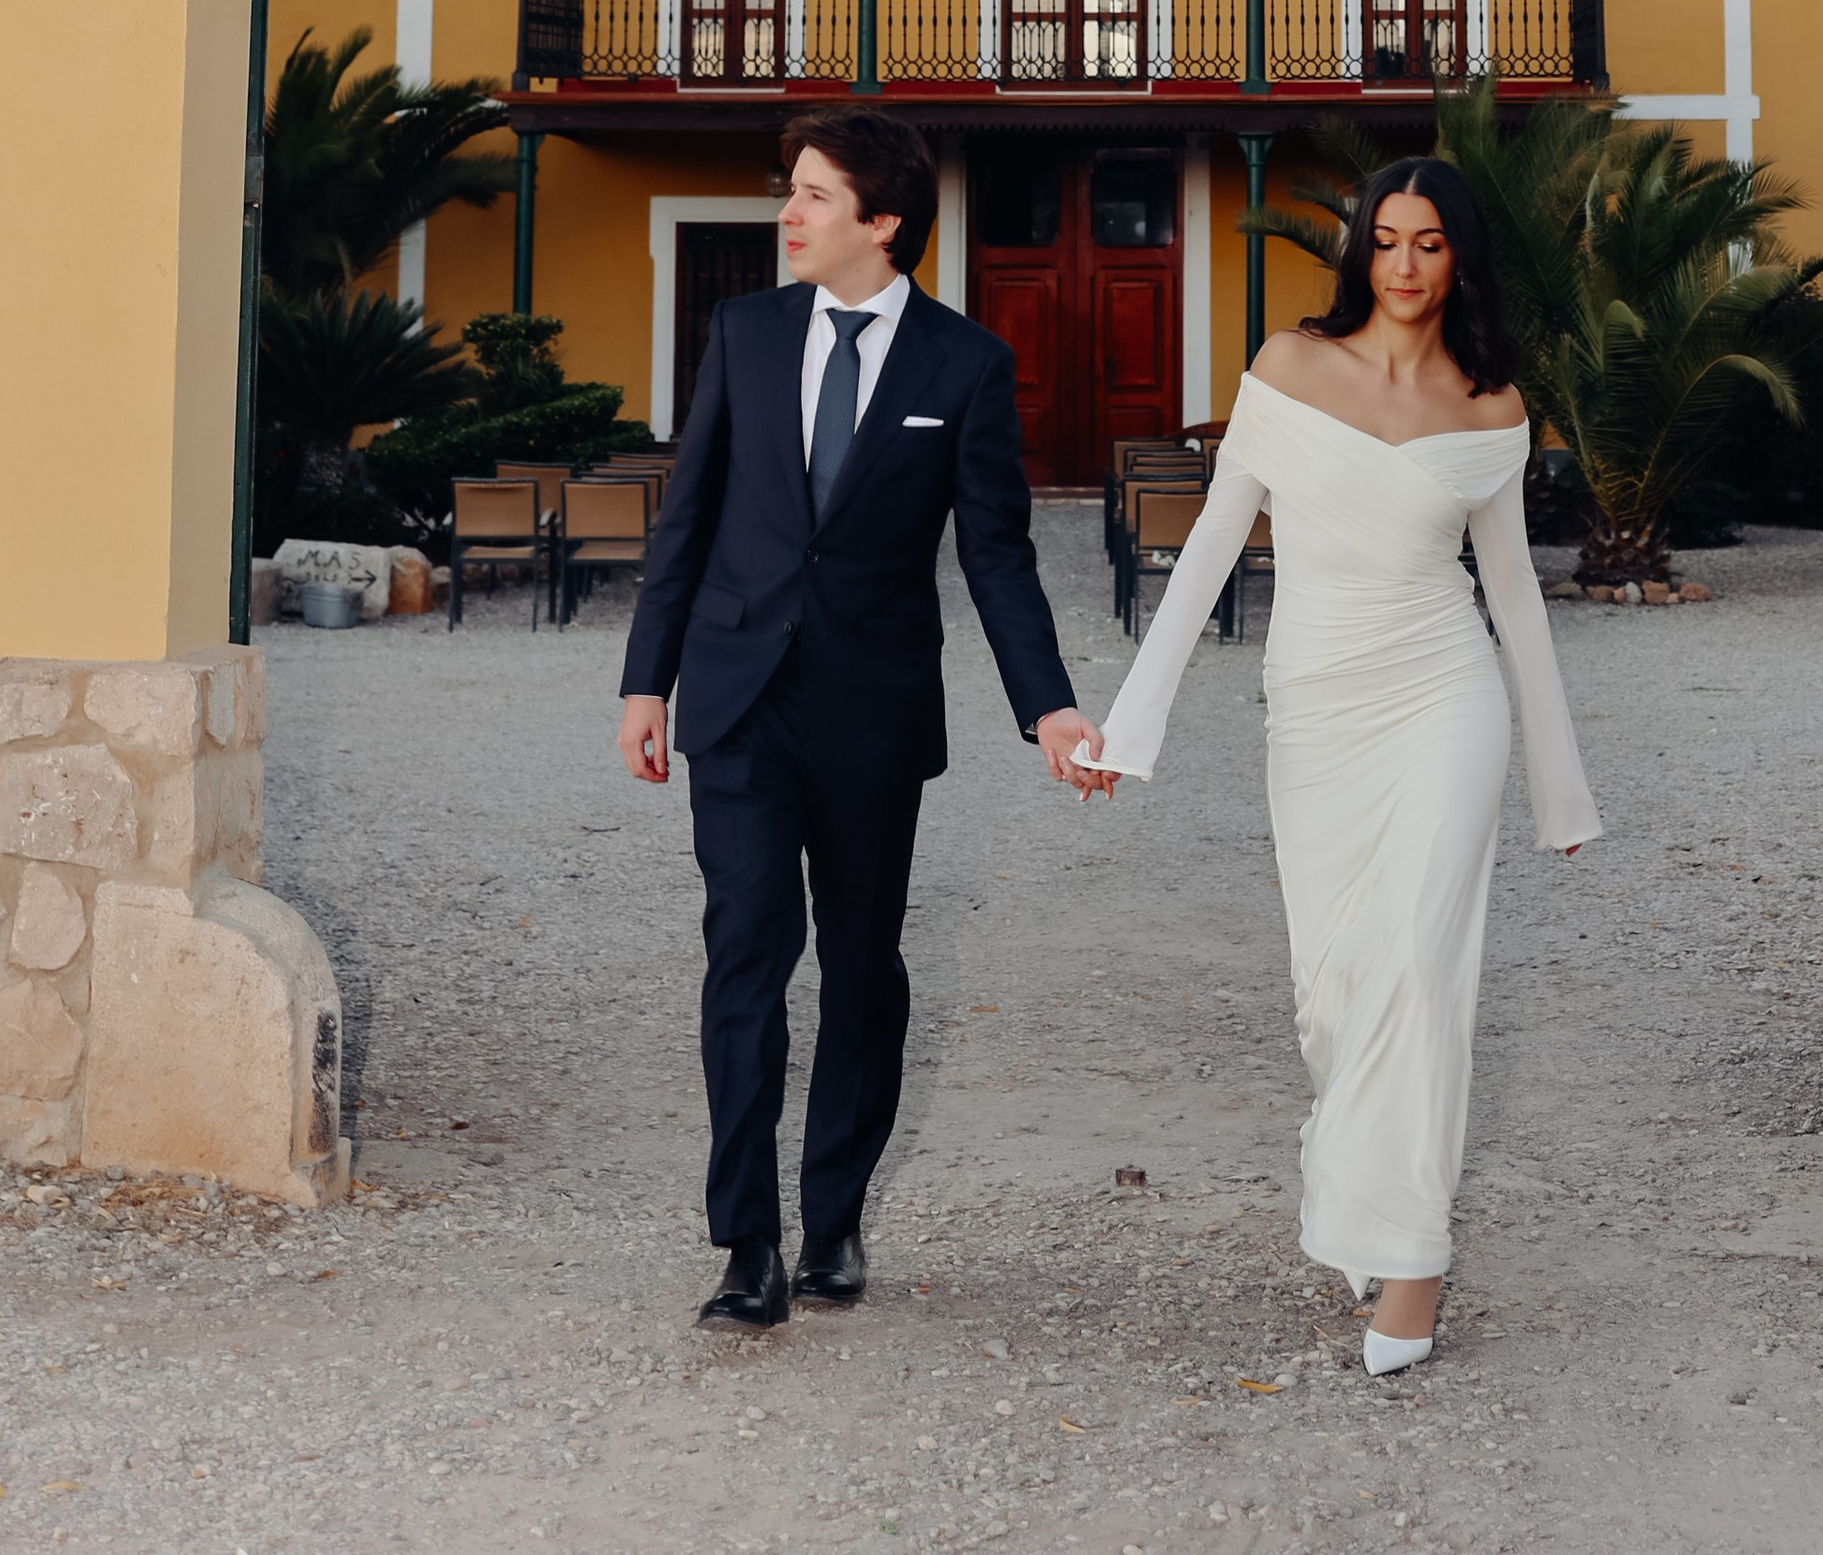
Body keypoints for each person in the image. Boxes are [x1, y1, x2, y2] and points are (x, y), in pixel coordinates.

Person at [1076, 157, 1598, 1376]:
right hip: (1312, 705)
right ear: (1359, 252)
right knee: (1334, 992)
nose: (1405, 267)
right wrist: (1128, 728)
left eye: (1429, 245)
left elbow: (1514, 598)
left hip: (1444, 696)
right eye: (1386, 242)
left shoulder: (1493, 407)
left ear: (1459, 258)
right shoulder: (1287, 367)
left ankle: (1413, 1265)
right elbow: (1209, 548)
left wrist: (1559, 786)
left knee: (1420, 964)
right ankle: (1363, 1175)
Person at [617, 109, 1105, 1330]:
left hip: (872, 713)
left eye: (816, 196)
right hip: (735, 702)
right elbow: (688, 520)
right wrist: (647, 681)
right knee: (745, 959)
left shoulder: (964, 366)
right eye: (792, 191)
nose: (789, 213)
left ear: (882, 223)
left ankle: (832, 1216)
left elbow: (996, 556)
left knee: (862, 971)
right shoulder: (741, 330)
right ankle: (746, 1243)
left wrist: (1046, 704)